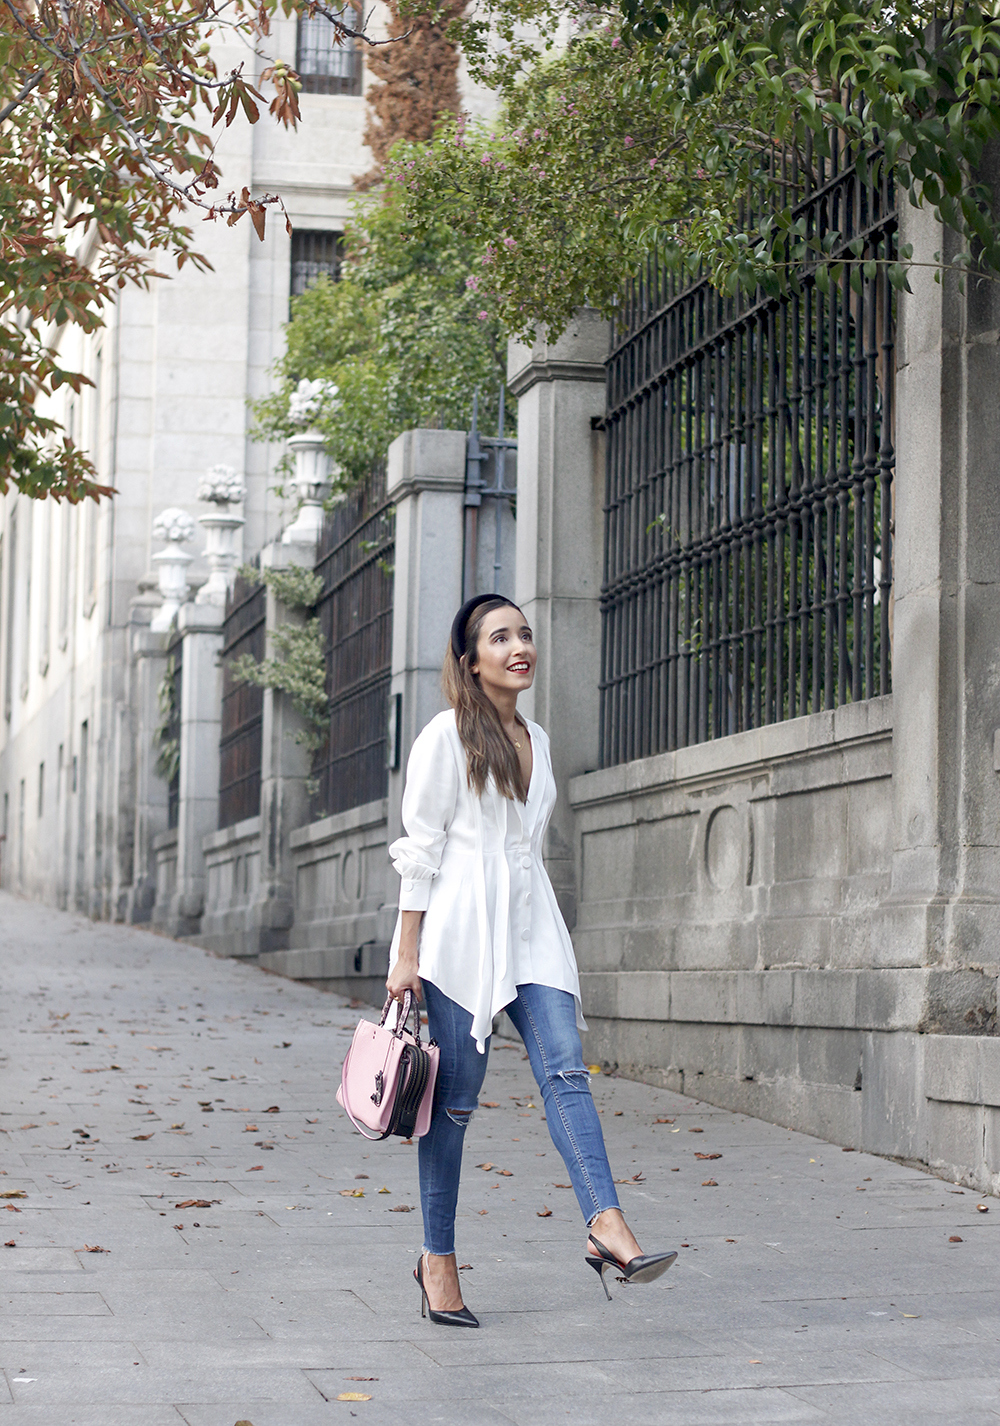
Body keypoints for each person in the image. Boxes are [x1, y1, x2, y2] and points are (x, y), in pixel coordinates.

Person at [385, 593, 677, 1327]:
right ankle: (437, 1260)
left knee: (567, 1069)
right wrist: (405, 953)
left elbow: (525, 846)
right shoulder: (444, 736)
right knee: (451, 1104)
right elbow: (420, 853)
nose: (520, 647)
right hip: (459, 936)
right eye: (500, 637)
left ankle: (604, 1222)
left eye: (525, 634)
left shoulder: (537, 739)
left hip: (531, 926)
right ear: (471, 658)